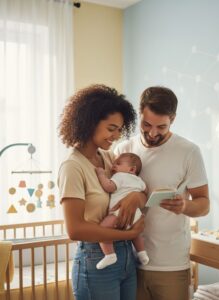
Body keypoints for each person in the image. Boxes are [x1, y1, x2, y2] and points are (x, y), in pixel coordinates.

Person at [114, 86, 210, 300]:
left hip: (171, 264)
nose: (152, 133)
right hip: (129, 262)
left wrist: (185, 206)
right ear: (139, 113)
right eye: (146, 124)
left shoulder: (189, 152)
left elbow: (204, 204)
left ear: (173, 119)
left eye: (161, 127)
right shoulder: (123, 151)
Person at [57, 84, 146, 300]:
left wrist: (137, 197)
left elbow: (133, 189)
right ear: (89, 123)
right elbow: (75, 230)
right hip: (96, 258)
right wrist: (130, 234)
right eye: (111, 128)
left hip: (126, 256)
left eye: (119, 129)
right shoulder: (72, 167)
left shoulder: (108, 159)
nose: (116, 136)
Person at [95, 152, 149, 270]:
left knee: (102, 229)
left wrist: (101, 175)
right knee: (136, 234)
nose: (114, 166)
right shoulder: (140, 180)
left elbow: (109, 187)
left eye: (118, 164)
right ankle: (142, 252)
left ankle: (109, 255)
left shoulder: (120, 176)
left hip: (119, 213)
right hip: (136, 214)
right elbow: (146, 192)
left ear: (131, 169)